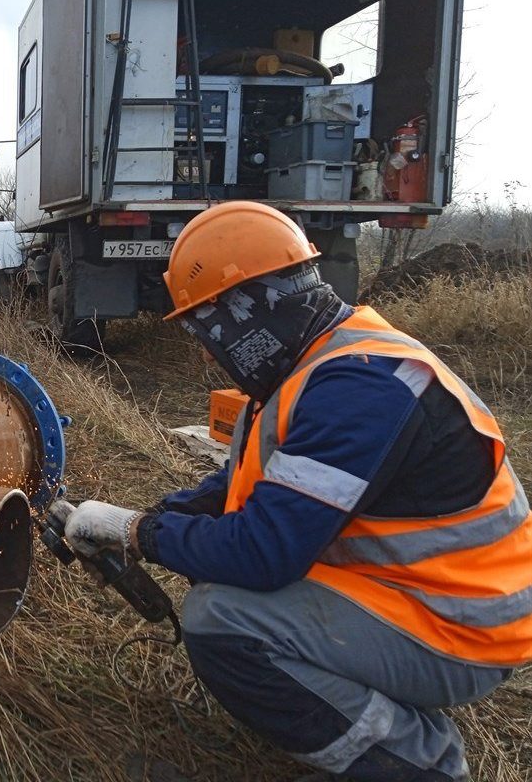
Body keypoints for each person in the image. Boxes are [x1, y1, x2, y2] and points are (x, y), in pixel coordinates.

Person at [59, 202, 531, 782]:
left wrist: (139, 532)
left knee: (223, 618)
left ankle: (419, 763)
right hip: (420, 591)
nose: (208, 351)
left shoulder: (362, 389)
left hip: (461, 623)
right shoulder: (320, 360)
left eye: (209, 328)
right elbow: (248, 485)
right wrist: (153, 518)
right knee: (220, 579)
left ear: (251, 309)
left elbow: (260, 554)